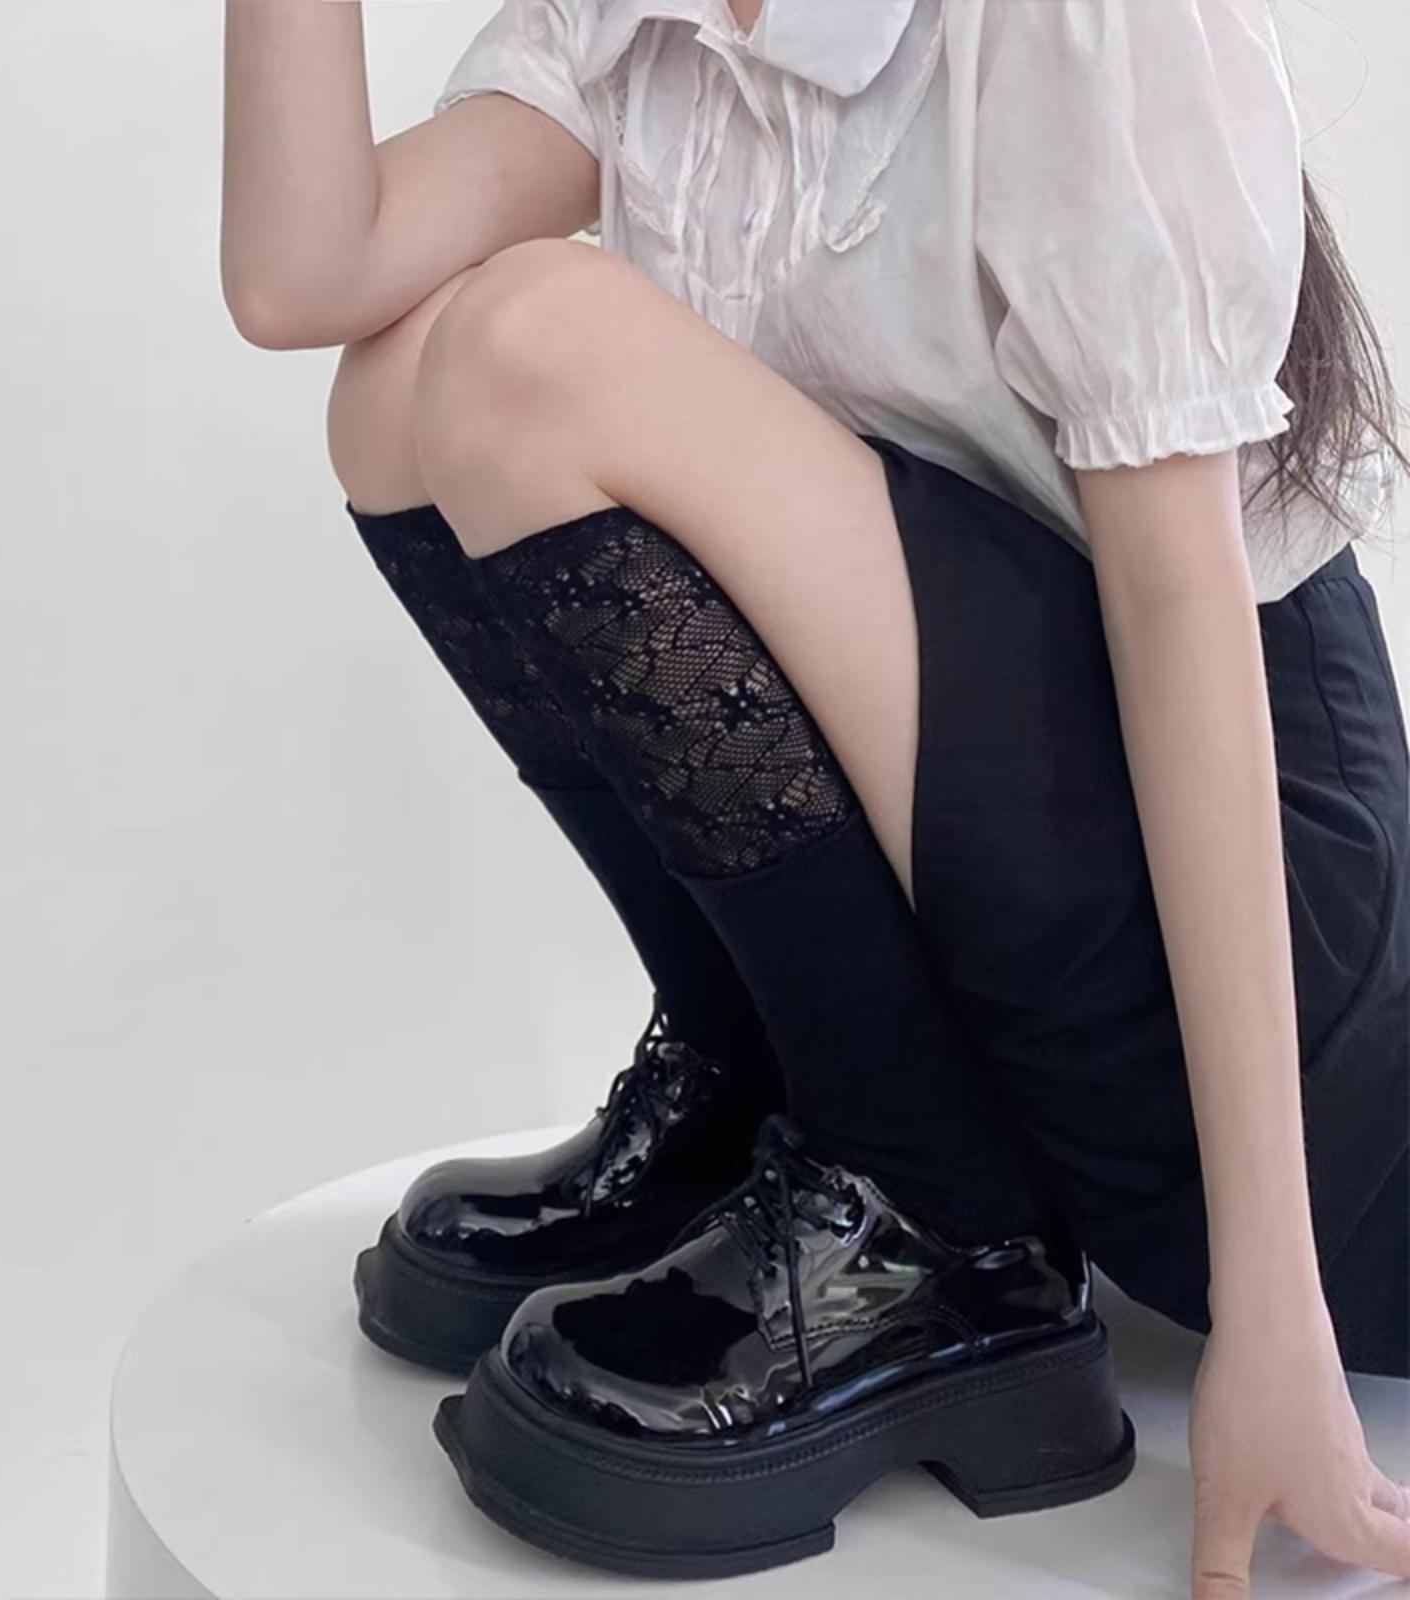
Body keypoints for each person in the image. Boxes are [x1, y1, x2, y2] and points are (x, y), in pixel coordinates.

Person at [220, 0, 1410, 1588]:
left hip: (1270, 970)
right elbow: (308, 275)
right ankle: (775, 1092)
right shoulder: (653, 22)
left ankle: (944, 1231)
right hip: (1026, 827)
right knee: (399, 388)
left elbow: (1183, 608)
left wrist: (1276, 1309)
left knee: (530, 347)